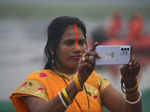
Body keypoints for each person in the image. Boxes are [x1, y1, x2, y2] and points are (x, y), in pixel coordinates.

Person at [10, 16, 142, 112]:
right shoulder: (36, 80)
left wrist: (130, 85)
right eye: (69, 43)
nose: (78, 48)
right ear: (52, 48)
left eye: (82, 42)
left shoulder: (95, 80)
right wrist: (78, 82)